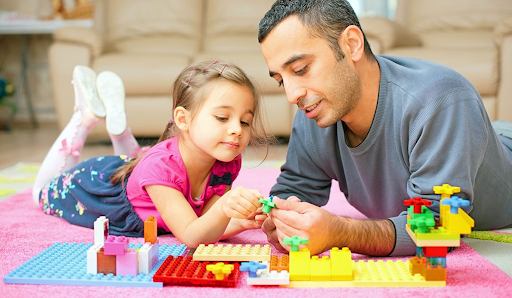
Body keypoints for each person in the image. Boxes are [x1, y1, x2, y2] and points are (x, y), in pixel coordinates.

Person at [257, 0, 512, 257]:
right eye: (281, 81)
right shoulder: (315, 108)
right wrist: (281, 218)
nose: (292, 95)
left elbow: (437, 226)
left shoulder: (441, 101)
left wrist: (340, 232)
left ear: (352, 44)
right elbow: (295, 188)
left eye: (300, 69)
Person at [32, 60, 272, 247]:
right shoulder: (161, 170)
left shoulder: (226, 161)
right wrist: (225, 208)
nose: (236, 130)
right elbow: (190, 235)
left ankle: (120, 133)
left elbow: (205, 222)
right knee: (40, 193)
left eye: (245, 122)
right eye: (222, 118)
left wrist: (238, 220)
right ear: (183, 119)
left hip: (138, 173)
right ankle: (83, 118)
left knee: (141, 163)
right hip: (91, 186)